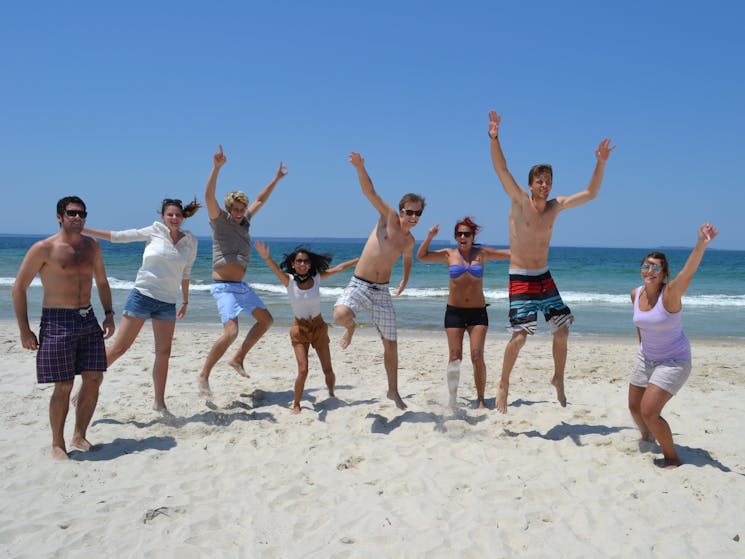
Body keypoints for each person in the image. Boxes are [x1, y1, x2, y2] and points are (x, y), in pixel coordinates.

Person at [488, 109, 615, 413]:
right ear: (531, 184)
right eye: (540, 181)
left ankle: (558, 377)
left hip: (544, 277)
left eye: (548, 181)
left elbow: (591, 194)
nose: (545, 185)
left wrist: (600, 163)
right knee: (520, 337)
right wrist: (494, 137)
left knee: (562, 330)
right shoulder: (520, 201)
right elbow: (501, 169)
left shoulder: (555, 207)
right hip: (520, 277)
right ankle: (503, 384)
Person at [12, 196, 116, 460]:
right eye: (72, 213)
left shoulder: (92, 246)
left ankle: (79, 435)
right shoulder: (44, 248)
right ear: (59, 217)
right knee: (64, 384)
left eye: (82, 214)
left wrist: (108, 314)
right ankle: (57, 443)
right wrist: (25, 330)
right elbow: (19, 287)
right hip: (57, 320)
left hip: (88, 318)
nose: (78, 218)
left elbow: (102, 282)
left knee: (94, 378)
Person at [82, 198, 200, 415]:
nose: (174, 218)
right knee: (119, 348)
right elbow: (118, 237)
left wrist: (185, 300)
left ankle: (159, 403)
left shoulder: (191, 241)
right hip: (142, 296)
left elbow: (186, 272)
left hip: (167, 303)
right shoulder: (154, 231)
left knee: (163, 353)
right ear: (163, 217)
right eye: (170, 214)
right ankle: (86, 388)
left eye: (178, 215)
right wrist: (84, 229)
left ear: (183, 217)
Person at [333, 152, 425, 410]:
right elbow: (369, 192)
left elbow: (407, 260)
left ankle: (393, 391)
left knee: (391, 344)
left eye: (418, 214)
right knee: (340, 315)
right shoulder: (387, 218)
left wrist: (404, 282)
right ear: (401, 210)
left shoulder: (409, 241)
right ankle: (351, 328)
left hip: (382, 292)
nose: (413, 217)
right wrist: (360, 168)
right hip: (359, 284)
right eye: (409, 212)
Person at [198, 145, 287, 397]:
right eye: (235, 209)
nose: (239, 213)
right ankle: (204, 375)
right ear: (229, 208)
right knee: (232, 331)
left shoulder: (245, 221)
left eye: (241, 209)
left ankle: (238, 358)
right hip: (223, 287)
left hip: (241, 287)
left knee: (267, 320)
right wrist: (216, 168)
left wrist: (276, 179)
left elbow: (260, 199)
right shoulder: (220, 221)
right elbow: (208, 197)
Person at [628, 223, 718, 469]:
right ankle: (647, 437)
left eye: (655, 267)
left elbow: (688, 271)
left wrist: (701, 243)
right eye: (646, 266)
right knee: (634, 407)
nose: (650, 270)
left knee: (648, 411)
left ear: (664, 274)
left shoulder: (670, 294)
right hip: (647, 356)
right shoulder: (635, 294)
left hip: (674, 360)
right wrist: (643, 349)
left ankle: (671, 457)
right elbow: (641, 323)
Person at [254, 241, 359, 413]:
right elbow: (275, 270)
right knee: (303, 370)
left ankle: (331, 393)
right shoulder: (289, 281)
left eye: (306, 261)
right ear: (293, 264)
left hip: (319, 327)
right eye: (299, 261)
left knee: (328, 369)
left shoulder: (316, 278)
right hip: (299, 330)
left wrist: (357, 260)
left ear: (310, 265)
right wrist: (266, 258)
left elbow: (338, 269)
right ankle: (296, 403)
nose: (303, 264)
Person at [417, 217, 510, 409]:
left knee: (477, 355)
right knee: (454, 357)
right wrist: (429, 237)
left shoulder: (482, 253)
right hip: (454, 313)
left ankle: (481, 399)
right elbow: (421, 256)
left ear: (473, 236)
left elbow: (509, 254)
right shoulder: (448, 254)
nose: (462, 237)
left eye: (466, 233)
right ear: (455, 236)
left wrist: (530, 243)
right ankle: (452, 399)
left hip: (478, 313)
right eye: (459, 234)